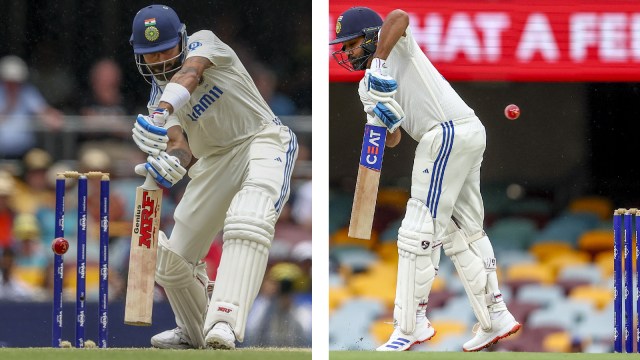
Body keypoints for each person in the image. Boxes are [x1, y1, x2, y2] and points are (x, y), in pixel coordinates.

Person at [330, 7, 521, 352]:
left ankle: (410, 324)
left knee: (416, 231)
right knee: (462, 232)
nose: (346, 53)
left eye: (352, 44)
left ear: (372, 36)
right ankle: (496, 316)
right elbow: (394, 138)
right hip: (463, 133)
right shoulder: (366, 87)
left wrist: (378, 63)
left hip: (446, 133)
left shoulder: (396, 46)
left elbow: (399, 15)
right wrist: (385, 114)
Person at [129, 5, 298, 350]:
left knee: (248, 218)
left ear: (182, 39)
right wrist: (167, 166)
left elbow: (190, 74)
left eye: (165, 49)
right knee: (172, 261)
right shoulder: (155, 97)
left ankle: (224, 318)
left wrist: (162, 111)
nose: (159, 60)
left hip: (260, 140)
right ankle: (193, 331)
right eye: (149, 55)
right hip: (213, 162)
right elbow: (180, 148)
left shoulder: (204, 44)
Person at [0, 55, 63, 159]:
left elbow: (43, 110)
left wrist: (53, 116)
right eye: (9, 81)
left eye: (16, 81)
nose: (12, 85)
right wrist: (9, 106)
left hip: (24, 151)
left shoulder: (27, 92)